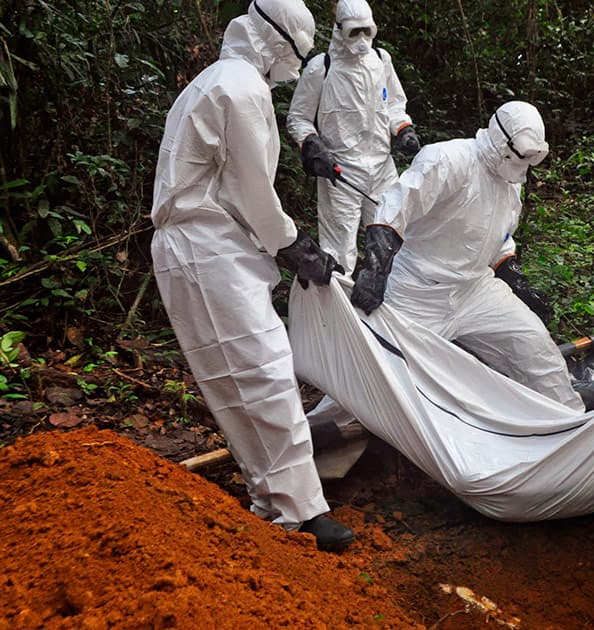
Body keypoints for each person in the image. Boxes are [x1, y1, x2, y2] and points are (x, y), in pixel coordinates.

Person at [150, 0, 354, 551]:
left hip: (210, 246)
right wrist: (295, 245)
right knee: (260, 372)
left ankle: (277, 503)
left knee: (248, 376)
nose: (291, 70)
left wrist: (286, 242)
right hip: (205, 246)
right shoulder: (240, 89)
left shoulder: (214, 80)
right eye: (293, 56)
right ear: (275, 41)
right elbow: (250, 191)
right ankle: (298, 512)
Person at [349, 101, 586, 412]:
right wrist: (376, 269)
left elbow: (499, 242)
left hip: (474, 289)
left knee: (534, 348)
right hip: (417, 293)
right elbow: (395, 208)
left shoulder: (510, 184)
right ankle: (329, 430)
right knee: (376, 376)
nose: (523, 167)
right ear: (502, 141)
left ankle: (569, 422)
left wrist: (517, 280)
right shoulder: (448, 159)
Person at [287, 0, 419, 276]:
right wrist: (312, 145)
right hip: (341, 174)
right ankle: (340, 315)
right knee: (339, 251)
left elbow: (394, 104)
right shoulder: (321, 67)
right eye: (354, 32)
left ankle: (390, 310)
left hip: (382, 169)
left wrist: (403, 129)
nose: (361, 40)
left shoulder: (381, 61)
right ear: (339, 30)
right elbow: (298, 118)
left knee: (394, 240)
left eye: (366, 32)